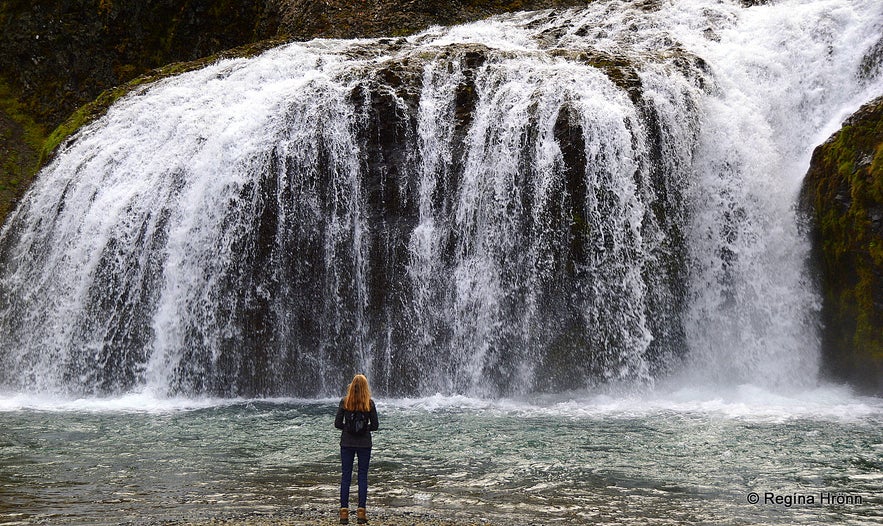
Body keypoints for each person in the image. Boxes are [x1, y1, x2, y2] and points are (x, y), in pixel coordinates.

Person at [334, 374, 379, 525]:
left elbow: (337, 424)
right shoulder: (369, 404)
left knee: (346, 476)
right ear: (366, 388)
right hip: (364, 444)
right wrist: (363, 429)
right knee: (362, 476)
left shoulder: (344, 402)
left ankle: (344, 513)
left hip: (346, 442)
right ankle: (361, 512)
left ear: (351, 386)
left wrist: (349, 428)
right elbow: (375, 426)